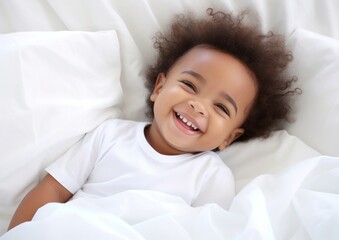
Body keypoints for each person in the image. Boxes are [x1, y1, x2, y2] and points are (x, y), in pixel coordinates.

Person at [8, 8, 299, 230]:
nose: (198, 106)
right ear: (159, 88)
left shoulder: (211, 176)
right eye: (190, 85)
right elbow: (53, 188)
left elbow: (206, 231)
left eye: (221, 108)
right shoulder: (110, 135)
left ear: (229, 137)